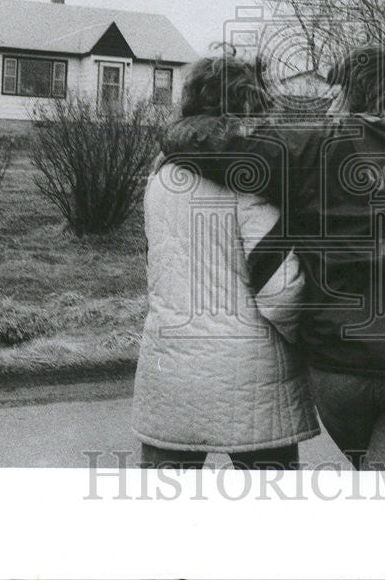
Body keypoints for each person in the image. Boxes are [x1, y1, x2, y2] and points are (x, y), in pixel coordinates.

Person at [160, 45, 385, 471]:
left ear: (349, 93)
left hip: (343, 371)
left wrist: (177, 130)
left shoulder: (318, 148)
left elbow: (215, 141)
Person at [132, 56, 319, 469]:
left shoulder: (160, 176)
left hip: (170, 366)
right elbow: (281, 291)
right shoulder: (252, 180)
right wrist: (308, 342)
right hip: (253, 376)